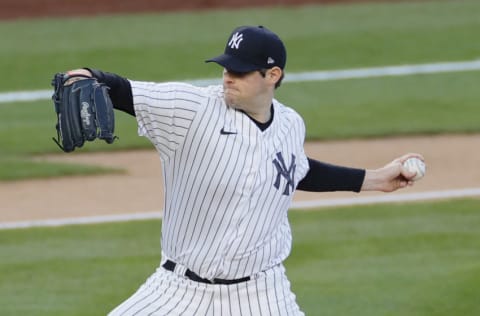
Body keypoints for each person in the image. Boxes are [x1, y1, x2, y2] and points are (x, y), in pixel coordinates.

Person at [66, 25, 423, 315]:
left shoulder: (290, 124)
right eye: (225, 67)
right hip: (178, 291)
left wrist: (374, 179)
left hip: (262, 294)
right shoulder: (192, 110)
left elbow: (295, 170)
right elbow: (123, 90)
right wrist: (84, 76)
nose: (227, 77)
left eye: (239, 71)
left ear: (272, 75)